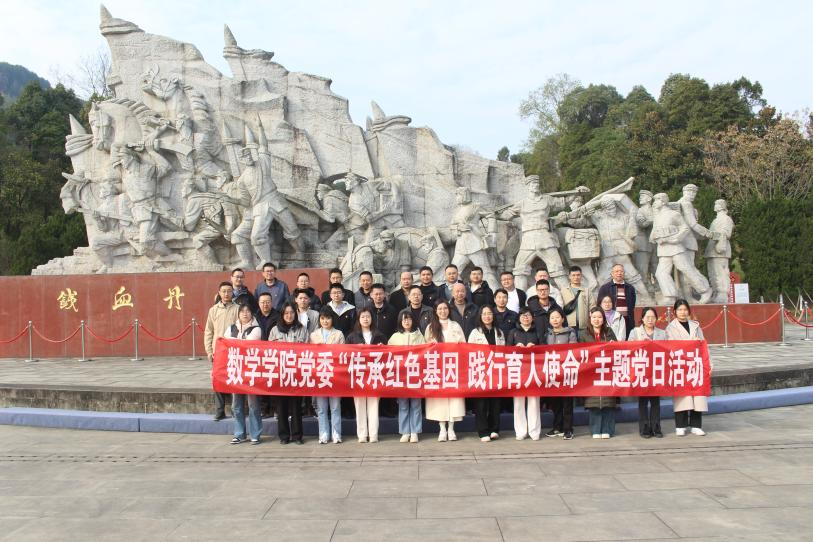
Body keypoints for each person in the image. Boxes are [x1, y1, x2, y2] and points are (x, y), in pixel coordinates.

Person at [425, 300, 467, 441]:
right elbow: (424, 348)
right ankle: (442, 428)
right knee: (440, 399)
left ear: (449, 310)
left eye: (445, 308)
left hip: (453, 367)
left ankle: (451, 428)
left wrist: (459, 345)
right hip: (437, 367)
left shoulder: (455, 325)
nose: (443, 311)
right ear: (435, 311)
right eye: (440, 309)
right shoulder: (431, 327)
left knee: (454, 398)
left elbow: (464, 345)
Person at [667, 298, 710, 436]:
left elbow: (704, 345)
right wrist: (690, 342)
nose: (683, 312)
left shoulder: (695, 326)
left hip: (696, 364)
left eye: (685, 309)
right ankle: (680, 425)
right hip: (680, 365)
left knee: (697, 395)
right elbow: (672, 346)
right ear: (674, 312)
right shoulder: (670, 328)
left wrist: (709, 364)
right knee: (682, 396)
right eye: (680, 309)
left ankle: (696, 425)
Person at [268, 302, 309, 444]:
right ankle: (284, 436)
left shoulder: (302, 329)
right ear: (282, 314)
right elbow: (269, 351)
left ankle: (297, 436)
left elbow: (307, 350)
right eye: (286, 313)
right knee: (281, 407)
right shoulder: (274, 330)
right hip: (280, 373)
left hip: (296, 373)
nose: (289, 315)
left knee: (296, 406)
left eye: (291, 313)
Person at [223, 303, 263, 444]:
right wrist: (237, 342)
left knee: (253, 404)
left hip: (251, 371)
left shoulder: (256, 329)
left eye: (248, 311)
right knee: (237, 405)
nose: (245, 313)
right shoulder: (231, 328)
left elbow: (248, 343)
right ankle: (239, 434)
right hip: (236, 370)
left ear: (252, 313)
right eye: (242, 311)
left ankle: (255, 434)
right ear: (238, 314)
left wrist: (235, 341)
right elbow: (225, 343)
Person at [346, 308, 386, 443]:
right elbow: (345, 356)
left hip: (375, 374)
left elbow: (387, 356)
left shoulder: (379, 335)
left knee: (374, 405)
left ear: (372, 319)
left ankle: (373, 435)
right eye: (362, 317)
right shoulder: (352, 337)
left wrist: (382, 348)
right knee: (359, 405)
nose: (365, 319)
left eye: (368, 316)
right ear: (358, 319)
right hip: (359, 375)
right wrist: (355, 349)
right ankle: (362, 434)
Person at [579, 307, 618, 439]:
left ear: (603, 319)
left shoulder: (609, 332)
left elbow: (618, 350)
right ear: (590, 318)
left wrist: (613, 345)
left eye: (600, 317)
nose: (597, 320)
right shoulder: (584, 334)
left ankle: (607, 429)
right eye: (594, 317)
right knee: (594, 402)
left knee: (608, 402)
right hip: (591, 372)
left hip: (607, 371)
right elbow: (580, 353)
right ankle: (595, 429)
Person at [628, 307, 667, 438]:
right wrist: (641, 344)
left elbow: (668, 350)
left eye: (653, 317)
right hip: (641, 371)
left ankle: (656, 427)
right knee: (643, 401)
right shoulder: (635, 332)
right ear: (642, 319)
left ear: (656, 319)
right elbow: (629, 349)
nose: (650, 320)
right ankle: (644, 428)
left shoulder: (662, 333)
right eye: (647, 317)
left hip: (656, 371)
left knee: (655, 401)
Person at [468, 305, 505, 442]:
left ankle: (494, 429)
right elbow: (469, 352)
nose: (487, 316)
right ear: (480, 316)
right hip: (480, 371)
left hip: (496, 371)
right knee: (481, 403)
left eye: (489, 313)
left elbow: (504, 352)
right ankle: (483, 431)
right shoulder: (475, 332)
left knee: (495, 402)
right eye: (484, 314)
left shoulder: (499, 332)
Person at [388, 310, 425, 443]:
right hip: (401, 376)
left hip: (415, 374)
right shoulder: (395, 337)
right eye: (404, 319)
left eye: (409, 319)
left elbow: (425, 353)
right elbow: (388, 354)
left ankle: (415, 431)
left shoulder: (419, 336)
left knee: (416, 404)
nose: (406, 321)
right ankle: (405, 431)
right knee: (403, 404)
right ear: (400, 321)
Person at [204, 281, 239, 421]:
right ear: (219, 293)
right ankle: (220, 410)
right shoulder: (213, 310)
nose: (226, 294)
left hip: (233, 351)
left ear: (232, 292)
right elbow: (208, 331)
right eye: (223, 291)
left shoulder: (238, 309)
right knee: (217, 380)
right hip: (217, 351)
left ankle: (235, 410)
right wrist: (209, 350)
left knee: (234, 380)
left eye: (229, 291)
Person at [310, 307, 345, 443]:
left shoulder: (339, 334)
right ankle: (323, 433)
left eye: (328, 318)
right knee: (321, 408)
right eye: (322, 318)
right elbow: (309, 355)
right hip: (319, 374)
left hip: (335, 375)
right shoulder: (314, 335)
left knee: (335, 407)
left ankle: (336, 433)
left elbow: (343, 355)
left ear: (332, 319)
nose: (325, 321)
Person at [508, 308, 542, 440]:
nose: (525, 317)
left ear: (532, 317)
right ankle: (520, 431)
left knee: (534, 401)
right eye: (522, 315)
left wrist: (536, 348)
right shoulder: (513, 332)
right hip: (518, 370)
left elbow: (545, 349)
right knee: (518, 402)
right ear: (519, 318)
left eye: (528, 315)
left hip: (534, 370)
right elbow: (506, 350)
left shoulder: (538, 331)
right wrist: (515, 348)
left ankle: (534, 431)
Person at [545, 308, 578, 440]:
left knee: (567, 403)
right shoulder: (547, 334)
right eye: (552, 318)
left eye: (557, 317)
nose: (555, 320)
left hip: (566, 371)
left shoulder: (570, 333)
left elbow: (573, 350)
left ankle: (568, 429)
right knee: (555, 403)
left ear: (563, 319)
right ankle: (557, 427)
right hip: (552, 372)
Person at [597, 264, 636, 334]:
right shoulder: (605, 288)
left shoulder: (630, 288)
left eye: (621, 271)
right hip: (610, 322)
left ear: (624, 273)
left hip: (628, 321)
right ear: (612, 274)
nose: (619, 273)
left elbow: (632, 305)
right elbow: (599, 306)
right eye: (616, 271)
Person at [561, 266, 592, 332]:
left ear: (581, 276)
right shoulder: (563, 291)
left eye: (578, 275)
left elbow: (592, 306)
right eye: (573, 275)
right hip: (568, 325)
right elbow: (560, 307)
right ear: (569, 276)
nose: (576, 277)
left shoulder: (587, 290)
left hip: (584, 326)